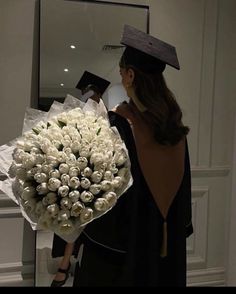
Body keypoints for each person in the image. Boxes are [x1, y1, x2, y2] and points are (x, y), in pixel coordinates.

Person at [72, 24, 193, 287]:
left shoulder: (118, 125)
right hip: (165, 251)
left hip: (123, 255)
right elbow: (182, 205)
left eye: (121, 73)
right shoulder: (175, 128)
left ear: (129, 75)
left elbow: (102, 198)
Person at [50, 71, 110, 287]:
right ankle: (66, 263)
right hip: (75, 171)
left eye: (92, 94)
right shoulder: (77, 112)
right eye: (87, 94)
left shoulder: (105, 114)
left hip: (97, 174)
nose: (89, 98)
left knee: (85, 222)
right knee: (73, 220)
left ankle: (66, 265)